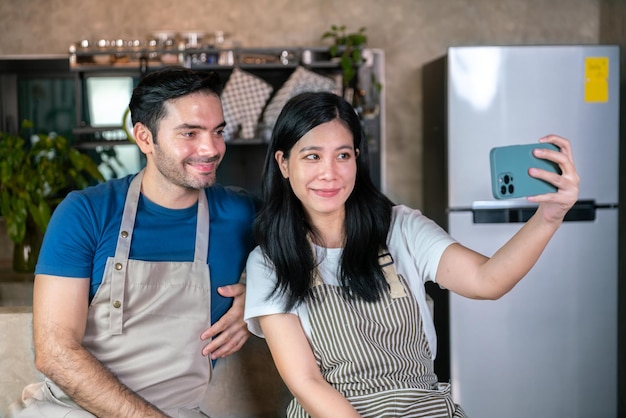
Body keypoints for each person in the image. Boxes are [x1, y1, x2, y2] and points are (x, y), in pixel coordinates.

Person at [244, 91, 579, 417]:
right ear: (284, 164)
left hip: (423, 408)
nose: (329, 172)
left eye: (343, 155)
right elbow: (307, 382)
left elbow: (487, 280)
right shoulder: (269, 262)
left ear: (357, 159)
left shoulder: (401, 228)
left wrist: (549, 217)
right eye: (312, 156)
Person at [8, 67, 257, 418]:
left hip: (179, 410)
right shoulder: (85, 212)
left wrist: (260, 297)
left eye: (218, 132)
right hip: (70, 409)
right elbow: (55, 352)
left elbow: (318, 254)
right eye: (190, 133)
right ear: (144, 138)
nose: (211, 148)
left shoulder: (241, 213)